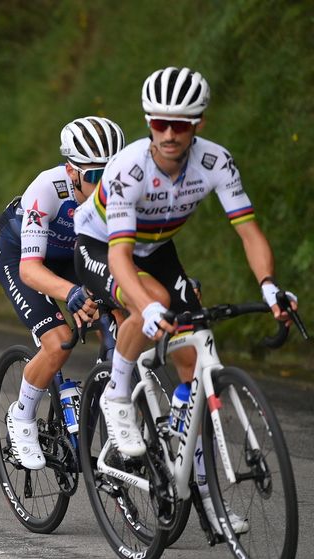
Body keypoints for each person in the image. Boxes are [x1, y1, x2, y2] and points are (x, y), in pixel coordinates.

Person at [73, 66, 298, 534]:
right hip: (100, 246)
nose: (170, 134)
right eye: (160, 123)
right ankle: (117, 395)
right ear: (148, 122)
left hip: (156, 248)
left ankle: (201, 492)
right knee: (150, 299)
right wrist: (147, 305)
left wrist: (269, 286)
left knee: (195, 359)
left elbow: (249, 231)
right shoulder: (127, 170)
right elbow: (119, 257)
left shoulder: (215, 162)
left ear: (199, 124)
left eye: (182, 124)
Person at [0, 116, 124, 469]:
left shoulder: (124, 189)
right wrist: (71, 294)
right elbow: (30, 270)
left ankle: (105, 388)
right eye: (95, 177)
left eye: (111, 175)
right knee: (59, 340)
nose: (105, 188)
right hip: (24, 256)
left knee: (122, 318)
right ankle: (21, 415)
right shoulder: (47, 189)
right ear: (72, 171)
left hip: (74, 256)